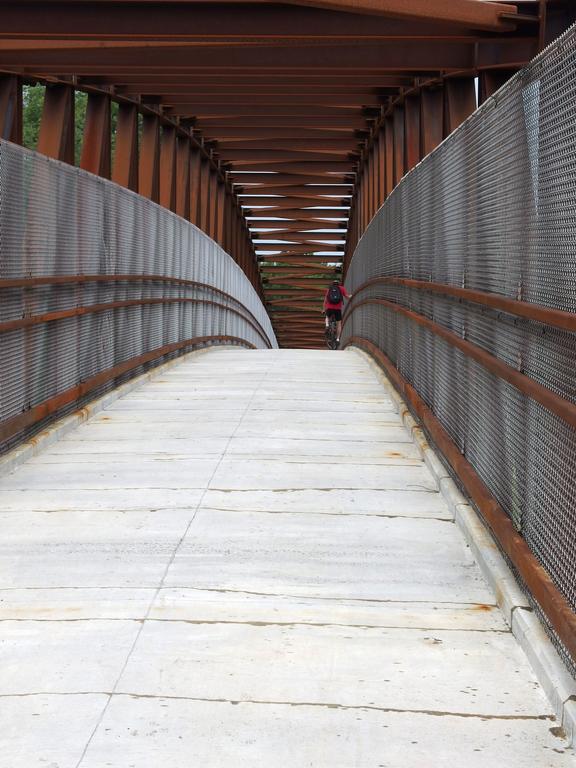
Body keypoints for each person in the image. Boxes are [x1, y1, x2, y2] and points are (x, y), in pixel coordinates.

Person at [323, 280, 351, 344]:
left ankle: (327, 325)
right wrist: (351, 296)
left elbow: (325, 300)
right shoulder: (342, 289)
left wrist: (324, 309)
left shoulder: (329, 289)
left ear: (332, 284)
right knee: (339, 323)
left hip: (329, 308)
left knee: (327, 316)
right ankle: (338, 339)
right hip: (338, 309)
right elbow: (347, 297)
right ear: (339, 284)